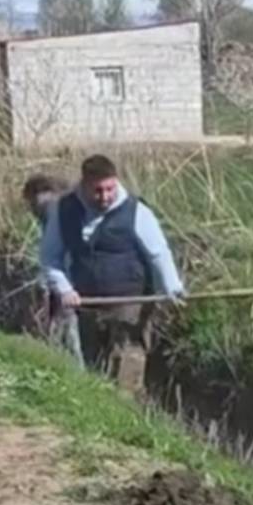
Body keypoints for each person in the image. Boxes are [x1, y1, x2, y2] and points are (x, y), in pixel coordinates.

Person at [40, 155, 184, 389]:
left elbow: (158, 253)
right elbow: (50, 257)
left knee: (126, 359)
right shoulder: (63, 210)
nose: (105, 197)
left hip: (129, 301)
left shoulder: (136, 211)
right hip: (87, 302)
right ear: (84, 185)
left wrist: (172, 287)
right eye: (98, 191)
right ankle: (99, 412)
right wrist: (64, 289)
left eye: (110, 189)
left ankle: (127, 411)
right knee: (94, 365)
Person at [22, 173, 83, 364]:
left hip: (66, 277)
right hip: (77, 274)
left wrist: (49, 279)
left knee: (66, 326)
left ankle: (70, 368)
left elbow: (54, 249)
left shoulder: (47, 206)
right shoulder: (68, 202)